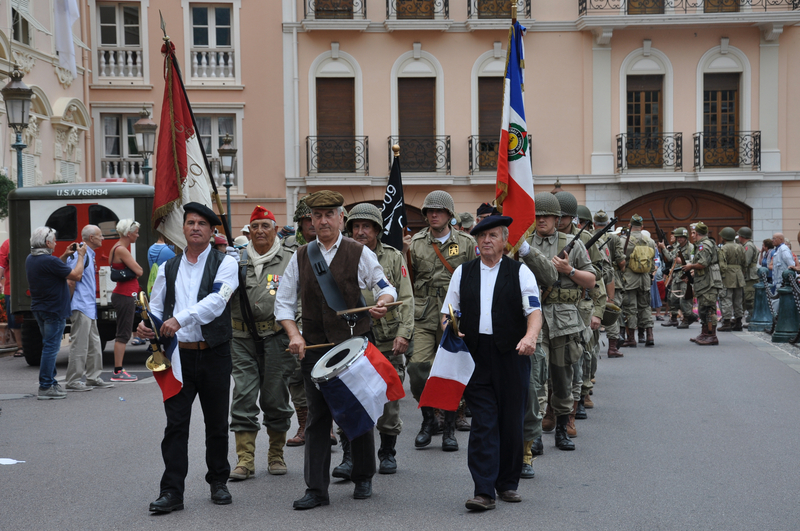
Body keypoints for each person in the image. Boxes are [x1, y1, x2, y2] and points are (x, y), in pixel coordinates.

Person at [275, 190, 397, 510]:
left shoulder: (359, 252)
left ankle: (363, 475)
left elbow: (384, 287)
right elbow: (283, 304)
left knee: (357, 409)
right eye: (317, 216)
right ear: (310, 221)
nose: (323, 221)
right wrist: (295, 335)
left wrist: (383, 303)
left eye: (330, 214)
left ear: (341, 218)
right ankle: (316, 489)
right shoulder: (302, 256)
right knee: (318, 417)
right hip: (315, 348)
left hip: (353, 346)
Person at [137, 202, 239, 513]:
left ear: (211, 231)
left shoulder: (226, 263)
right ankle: (171, 492)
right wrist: (147, 325)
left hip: (214, 354)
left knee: (216, 424)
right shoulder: (168, 267)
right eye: (190, 222)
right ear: (183, 229)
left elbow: (218, 301)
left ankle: (218, 481)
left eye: (202, 224)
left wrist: (179, 319)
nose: (195, 227)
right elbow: (157, 307)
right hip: (178, 357)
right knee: (176, 426)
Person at [440, 215, 542, 512]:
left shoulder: (520, 272)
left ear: (505, 240)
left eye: (493, 235)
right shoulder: (463, 272)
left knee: (511, 420)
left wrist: (530, 337)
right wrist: (449, 327)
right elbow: (448, 311)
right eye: (482, 236)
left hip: (512, 353)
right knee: (484, 422)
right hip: (476, 355)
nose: (486, 240)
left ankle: (507, 482)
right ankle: (483, 490)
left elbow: (534, 311)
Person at [519, 192, 594, 451]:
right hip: (533, 318)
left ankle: (562, 428)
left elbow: (591, 281)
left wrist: (568, 270)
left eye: (547, 216)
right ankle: (536, 434)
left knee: (562, 377)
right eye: (537, 216)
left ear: (556, 218)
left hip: (565, 320)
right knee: (536, 379)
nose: (541, 220)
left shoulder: (573, 243)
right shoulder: (524, 245)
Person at [228, 206, 296, 480]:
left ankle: (276, 454)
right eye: (254, 226)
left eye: (265, 226)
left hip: (277, 338)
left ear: (275, 230)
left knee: (275, 398)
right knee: (243, 395)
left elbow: (301, 298)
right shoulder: (235, 261)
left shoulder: (290, 259)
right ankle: (245, 460)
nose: (259, 231)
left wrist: (297, 332)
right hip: (241, 339)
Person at [346, 203, 414, 475]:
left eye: (366, 226)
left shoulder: (394, 257)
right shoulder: (341, 256)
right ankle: (350, 455)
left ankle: (387, 451)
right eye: (356, 226)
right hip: (352, 339)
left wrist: (403, 333)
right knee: (351, 396)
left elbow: (406, 297)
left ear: (377, 230)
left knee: (388, 398)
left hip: (386, 338)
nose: (360, 232)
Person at [408, 191, 477, 452]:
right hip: (424, 313)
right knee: (418, 368)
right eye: (429, 211)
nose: (433, 215)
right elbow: (410, 279)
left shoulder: (466, 243)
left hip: (454, 312)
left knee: (451, 370)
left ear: (449, 214)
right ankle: (429, 419)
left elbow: (475, 279)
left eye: (439, 211)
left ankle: (449, 427)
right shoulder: (416, 243)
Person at [26, 227, 86, 400]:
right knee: (51, 348)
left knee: (48, 346)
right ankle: (45, 386)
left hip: (40, 308)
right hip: (54, 309)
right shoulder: (50, 261)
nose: (56, 242)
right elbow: (76, 275)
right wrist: (81, 256)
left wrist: (65, 255)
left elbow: (54, 268)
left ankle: (51, 383)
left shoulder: (31, 258)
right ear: (47, 243)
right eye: (53, 240)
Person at [65, 225, 114, 392]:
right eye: (100, 235)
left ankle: (93, 377)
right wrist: (70, 302)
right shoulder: (80, 254)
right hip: (81, 305)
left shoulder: (87, 254)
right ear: (91, 238)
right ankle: (73, 380)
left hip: (88, 306)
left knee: (94, 345)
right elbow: (71, 280)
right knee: (80, 345)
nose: (103, 238)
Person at [109, 219, 144, 381]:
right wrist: (136, 271)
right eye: (136, 232)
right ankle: (118, 371)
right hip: (125, 295)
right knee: (123, 334)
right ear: (128, 234)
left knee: (123, 333)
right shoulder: (122, 250)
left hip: (123, 294)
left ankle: (119, 370)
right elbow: (139, 271)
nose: (137, 235)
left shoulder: (116, 247)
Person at [683, 222, 723, 346]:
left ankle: (712, 335)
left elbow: (703, 263)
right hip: (704, 280)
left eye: (693, 233)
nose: (692, 235)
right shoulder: (702, 244)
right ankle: (705, 333)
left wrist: (690, 266)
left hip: (709, 282)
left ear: (697, 233)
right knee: (703, 308)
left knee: (709, 308)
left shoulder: (704, 245)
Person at [620, 215, 657, 348]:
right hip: (645, 279)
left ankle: (631, 338)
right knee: (645, 307)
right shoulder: (650, 241)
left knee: (630, 308)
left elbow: (620, 259)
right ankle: (649, 335)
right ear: (642, 227)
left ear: (629, 226)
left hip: (629, 279)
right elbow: (652, 262)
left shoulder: (624, 241)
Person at [594, 211, 626, 358]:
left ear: (594, 223)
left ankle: (593, 346)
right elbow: (621, 260)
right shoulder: (614, 238)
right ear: (607, 224)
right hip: (611, 279)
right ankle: (612, 347)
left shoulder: (588, 236)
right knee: (611, 311)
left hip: (593, 278)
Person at [660, 228, 697, 329]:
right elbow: (671, 258)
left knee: (685, 299)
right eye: (678, 237)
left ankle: (687, 318)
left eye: (681, 237)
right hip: (676, 276)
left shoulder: (691, 247)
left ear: (686, 237)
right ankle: (673, 319)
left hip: (685, 276)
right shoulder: (677, 247)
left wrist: (683, 261)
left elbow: (694, 261)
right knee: (672, 298)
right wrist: (663, 248)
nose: (679, 239)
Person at [717, 227, 746, 332]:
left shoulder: (723, 248)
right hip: (739, 275)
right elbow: (744, 262)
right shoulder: (740, 247)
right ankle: (738, 322)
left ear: (724, 237)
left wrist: (721, 275)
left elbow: (722, 265)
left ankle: (727, 322)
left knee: (726, 299)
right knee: (738, 300)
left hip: (727, 276)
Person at [0, 238, 23, 357]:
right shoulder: (7, 243)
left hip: (18, 287)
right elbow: (1, 265)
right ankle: (20, 346)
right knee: (15, 319)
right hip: (12, 288)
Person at [738, 227, 759, 324]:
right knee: (747, 298)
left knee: (750, 298)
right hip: (748, 275)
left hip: (750, 276)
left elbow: (745, 261)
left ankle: (753, 320)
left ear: (742, 236)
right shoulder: (747, 245)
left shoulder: (748, 246)